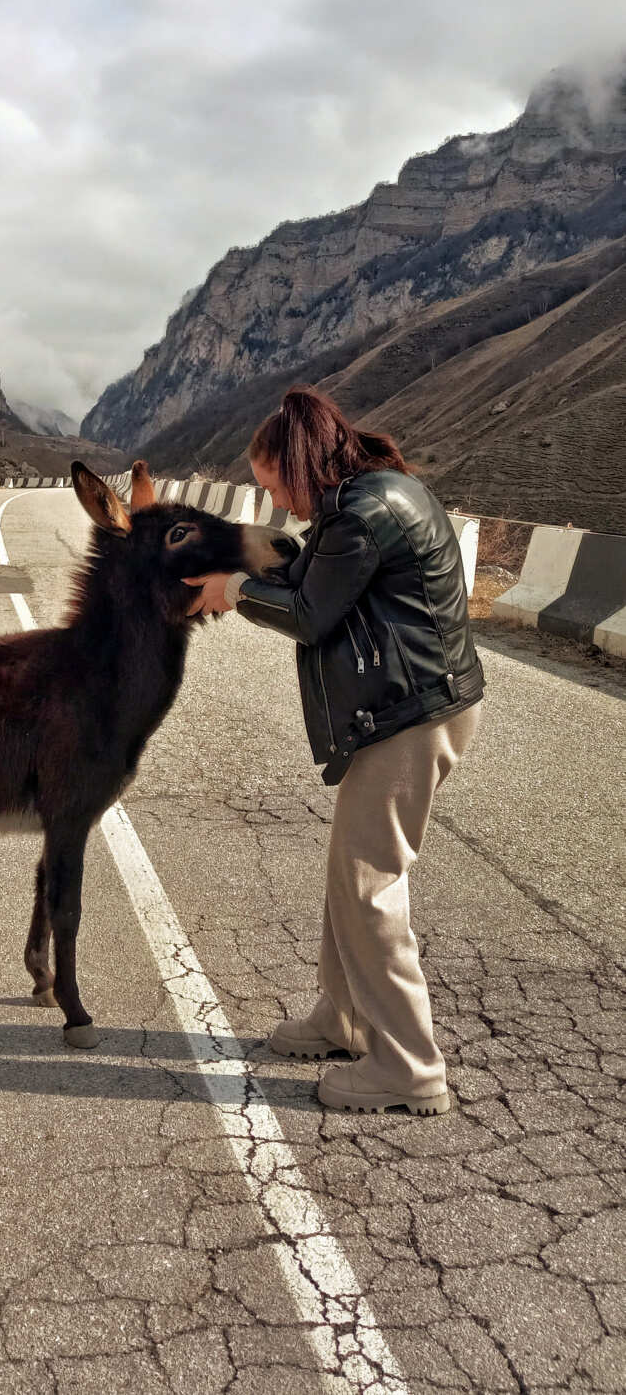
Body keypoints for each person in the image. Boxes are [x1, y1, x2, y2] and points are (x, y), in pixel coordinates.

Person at [184, 384, 484, 1116]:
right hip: (407, 710)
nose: (280, 504)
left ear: (298, 463)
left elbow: (312, 612)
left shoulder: (366, 512)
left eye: (275, 486)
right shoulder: (360, 499)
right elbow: (304, 574)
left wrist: (232, 591)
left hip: (413, 718)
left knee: (369, 885)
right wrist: (234, 568)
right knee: (350, 870)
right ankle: (345, 1018)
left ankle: (409, 1066)